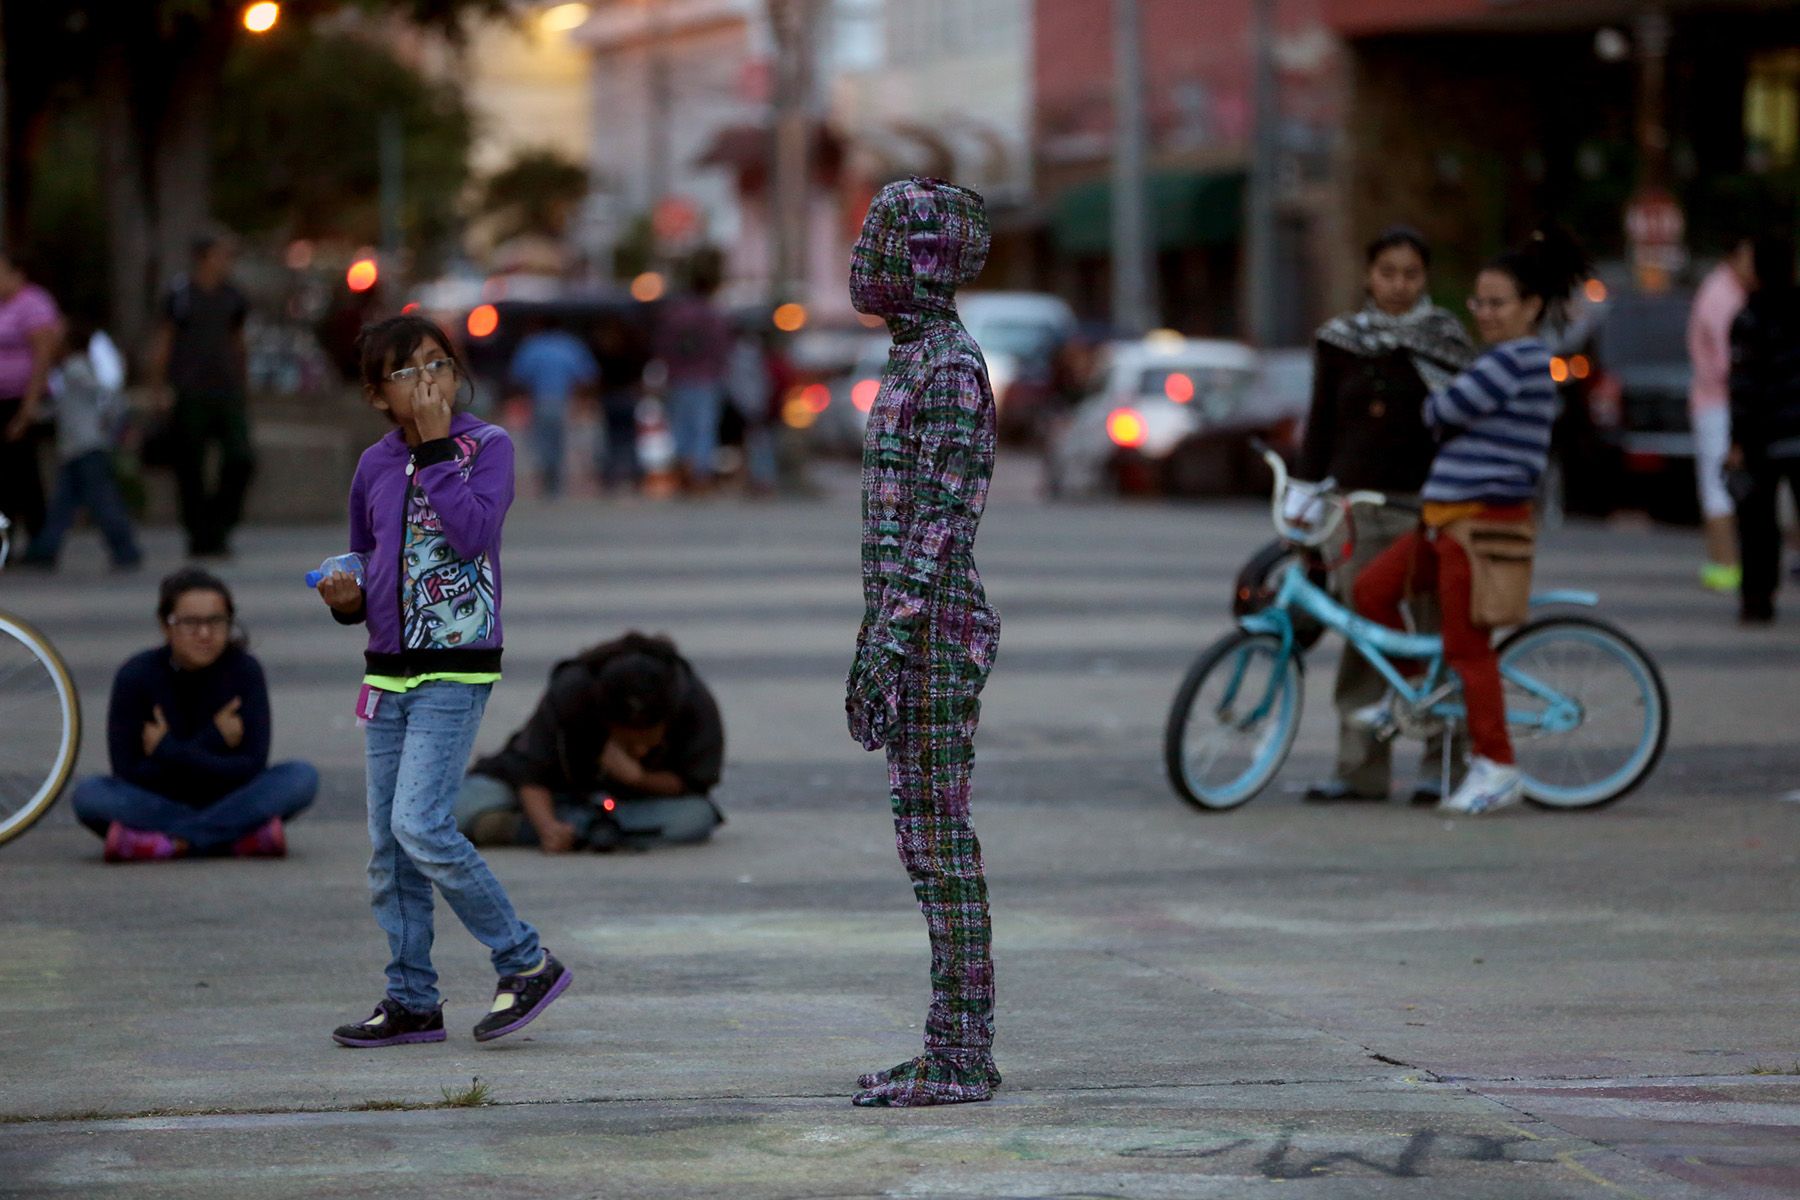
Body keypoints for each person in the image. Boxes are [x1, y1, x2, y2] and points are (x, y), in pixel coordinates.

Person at [316, 314, 570, 1049]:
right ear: (376, 395)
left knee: (420, 824)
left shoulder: (486, 447)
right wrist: (346, 601)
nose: (428, 381)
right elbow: (367, 559)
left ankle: (526, 961)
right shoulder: (370, 465)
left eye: (439, 364)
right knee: (387, 849)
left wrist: (432, 449)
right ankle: (412, 997)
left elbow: (471, 534)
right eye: (407, 372)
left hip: (456, 663)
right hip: (387, 670)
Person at [844, 178, 1003, 1107]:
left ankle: (963, 1052)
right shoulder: (913, 359)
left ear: (927, 261)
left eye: (883, 239)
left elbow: (939, 531)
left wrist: (886, 649)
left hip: (934, 639)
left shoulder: (946, 367)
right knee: (924, 841)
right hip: (910, 633)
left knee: (940, 843)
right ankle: (949, 1043)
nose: (864, 258)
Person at [1353, 228, 1590, 817]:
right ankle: (1417, 696)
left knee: (1468, 647)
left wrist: (1440, 402)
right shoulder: (1508, 360)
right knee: (1369, 592)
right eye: (1478, 302)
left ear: (1531, 307)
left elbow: (1442, 409)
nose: (1482, 313)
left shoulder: (1519, 359)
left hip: (1480, 526)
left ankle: (1498, 765)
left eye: (1496, 303)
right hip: (1444, 523)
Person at [1300, 226, 1475, 805]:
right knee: (1362, 635)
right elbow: (1321, 422)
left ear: (1424, 279)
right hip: (1355, 510)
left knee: (1436, 630)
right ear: (1369, 276)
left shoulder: (1446, 340)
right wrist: (1307, 495)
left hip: (1430, 509)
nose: (1398, 285)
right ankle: (1360, 768)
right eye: (1388, 273)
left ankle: (1441, 763)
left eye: (1411, 274)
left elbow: (1464, 430)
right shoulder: (1339, 340)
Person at [70, 569, 317, 861]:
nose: (204, 633)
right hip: (157, 801)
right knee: (90, 794)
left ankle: (168, 842)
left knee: (300, 777)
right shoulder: (136, 675)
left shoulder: (245, 671)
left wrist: (165, 750)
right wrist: (214, 739)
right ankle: (234, 839)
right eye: (190, 623)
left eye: (216, 621)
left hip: (232, 798)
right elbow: (128, 774)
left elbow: (251, 767)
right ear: (166, 625)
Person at [455, 632, 725, 852]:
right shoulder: (574, 689)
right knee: (456, 808)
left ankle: (522, 830)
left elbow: (694, 782)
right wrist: (548, 827)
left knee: (695, 817)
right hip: (551, 792)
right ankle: (578, 829)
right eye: (629, 744)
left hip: (633, 805)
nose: (640, 751)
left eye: (648, 743)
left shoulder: (693, 703)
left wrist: (639, 778)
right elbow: (532, 771)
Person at [149, 232, 254, 559]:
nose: (228, 263)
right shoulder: (180, 295)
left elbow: (238, 341)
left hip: (226, 390)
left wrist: (243, 381)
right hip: (190, 390)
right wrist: (159, 387)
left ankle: (220, 524)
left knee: (240, 458)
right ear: (205, 257)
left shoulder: (233, 296)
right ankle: (198, 534)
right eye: (222, 255)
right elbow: (164, 341)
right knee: (189, 466)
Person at [22, 314, 143, 571]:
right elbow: (65, 406)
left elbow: (104, 394)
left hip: (86, 447)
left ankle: (125, 548)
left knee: (100, 500)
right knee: (62, 504)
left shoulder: (76, 368)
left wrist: (113, 421)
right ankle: (45, 549)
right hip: (74, 448)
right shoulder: (69, 370)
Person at [1727, 232, 1800, 625]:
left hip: (1763, 434)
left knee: (1758, 524)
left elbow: (1743, 384)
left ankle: (1758, 598)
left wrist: (1737, 438)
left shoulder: (1750, 316)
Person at [1688, 234, 1754, 593]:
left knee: (1716, 484)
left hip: (1715, 400)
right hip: (1719, 401)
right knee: (1719, 485)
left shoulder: (1721, 290)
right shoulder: (1723, 297)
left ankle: (1724, 565)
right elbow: (1730, 362)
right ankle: (1726, 565)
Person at [653, 251, 733, 490]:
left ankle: (684, 469)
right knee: (703, 429)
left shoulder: (675, 314)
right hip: (706, 379)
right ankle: (699, 474)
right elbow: (723, 348)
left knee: (680, 428)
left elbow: (662, 345)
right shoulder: (713, 315)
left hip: (677, 378)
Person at [0, 252, 62, 547]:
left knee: (23, 474)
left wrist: (28, 407)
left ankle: (40, 539)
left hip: (22, 399)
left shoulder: (33, 304)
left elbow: (42, 356)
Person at [508, 315, 598, 499]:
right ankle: (556, 483)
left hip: (539, 400)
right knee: (560, 442)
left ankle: (546, 480)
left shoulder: (532, 346)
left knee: (541, 442)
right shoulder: (570, 345)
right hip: (563, 400)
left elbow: (518, 375)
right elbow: (587, 375)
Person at [592, 318, 649, 491]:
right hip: (626, 396)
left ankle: (611, 478)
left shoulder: (603, 349)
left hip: (610, 396)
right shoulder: (632, 349)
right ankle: (634, 477)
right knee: (629, 439)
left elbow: (596, 376)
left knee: (612, 439)